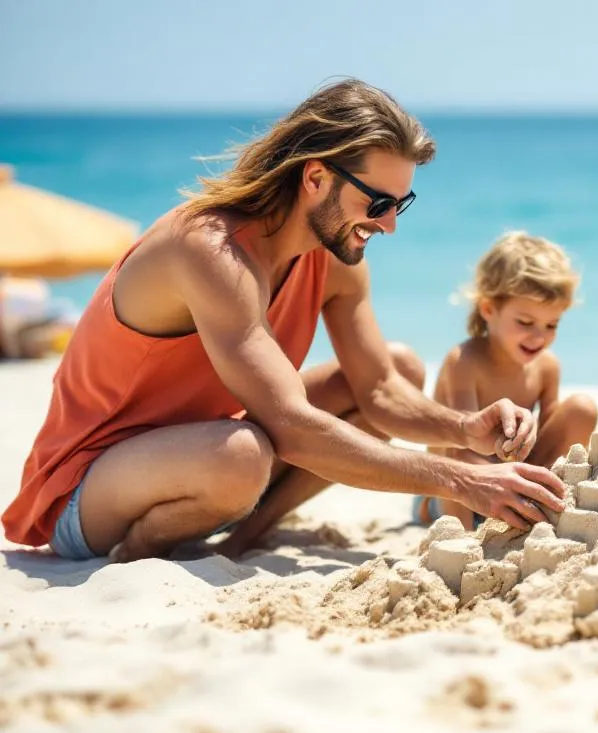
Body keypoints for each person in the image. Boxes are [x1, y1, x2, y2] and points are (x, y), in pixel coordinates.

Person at [2, 78, 566, 564]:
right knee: (245, 452)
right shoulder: (210, 249)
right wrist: (461, 478)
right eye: (377, 203)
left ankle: (241, 539)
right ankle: (138, 553)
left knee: (397, 362)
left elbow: (379, 390)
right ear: (316, 178)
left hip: (198, 463)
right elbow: (291, 427)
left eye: (402, 203)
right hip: (85, 490)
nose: (390, 225)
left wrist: (463, 430)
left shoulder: (336, 258)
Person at [413, 231, 598, 529]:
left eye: (551, 324)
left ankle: (546, 508)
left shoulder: (547, 366)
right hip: (457, 489)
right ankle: (457, 541)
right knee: (454, 445)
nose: (539, 336)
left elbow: (554, 439)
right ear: (488, 309)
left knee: (582, 408)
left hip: (511, 485)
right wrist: (497, 476)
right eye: (525, 322)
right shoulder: (465, 361)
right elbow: (461, 445)